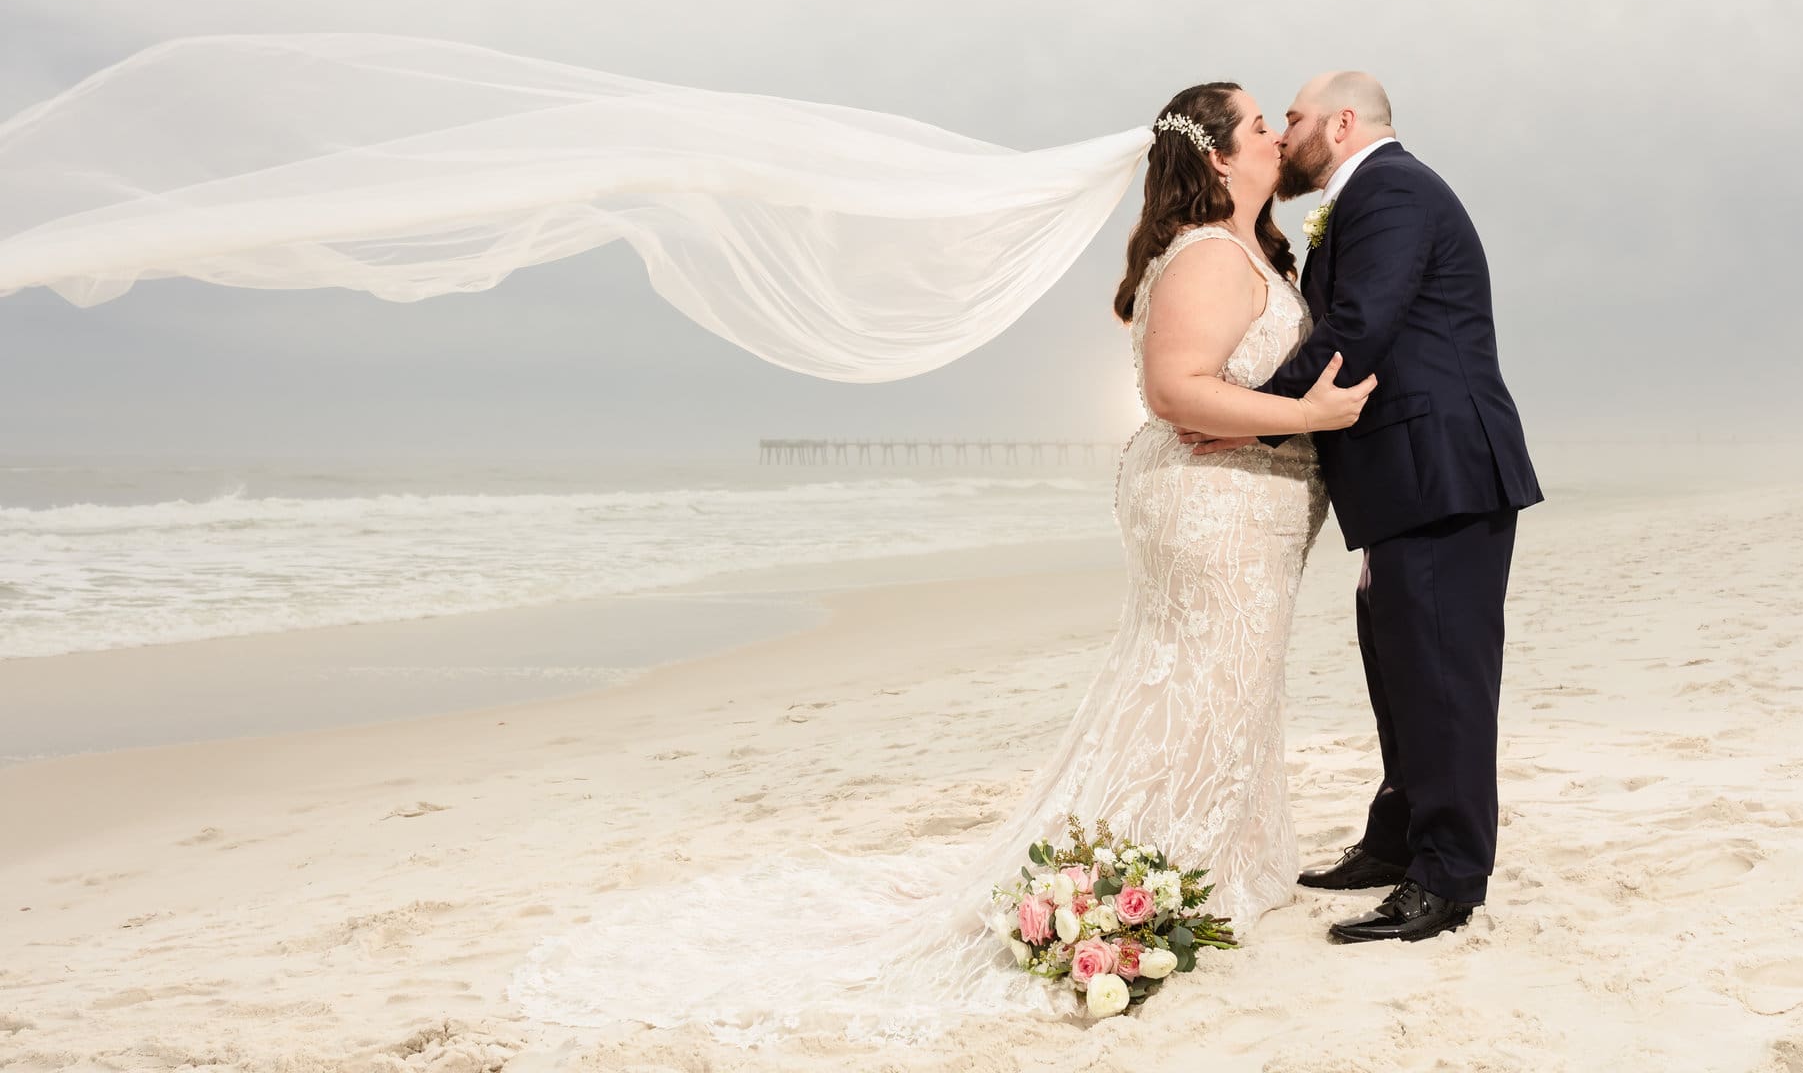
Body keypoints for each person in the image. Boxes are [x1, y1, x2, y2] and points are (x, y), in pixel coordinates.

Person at [507, 81, 1374, 1038]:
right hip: (1213, 509)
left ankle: (1210, 858)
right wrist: (1305, 417)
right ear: (1216, 156)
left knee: (1224, 683)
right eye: (1259, 125)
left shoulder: (1252, 247)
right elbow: (1176, 389)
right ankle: (1156, 868)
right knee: (1199, 679)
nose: (1274, 137)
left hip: (1251, 506)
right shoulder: (1210, 256)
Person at [1183, 72, 1542, 943]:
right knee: (1402, 672)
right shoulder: (1367, 196)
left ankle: (1449, 879)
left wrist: (1256, 419)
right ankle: (1395, 842)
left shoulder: (1391, 189)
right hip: (1405, 481)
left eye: (1295, 118)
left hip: (1440, 476)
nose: (1286, 132)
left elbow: (1360, 328)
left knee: (1444, 682)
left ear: (1343, 123)